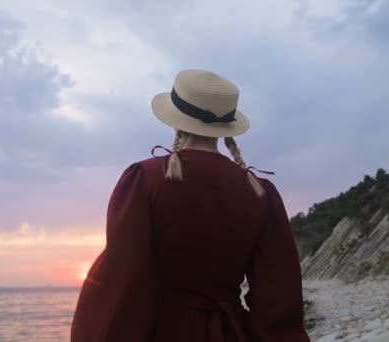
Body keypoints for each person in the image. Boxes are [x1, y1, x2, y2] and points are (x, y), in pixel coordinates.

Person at [71, 69, 311, 341]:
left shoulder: (146, 180)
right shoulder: (259, 192)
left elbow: (122, 280)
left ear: (176, 122)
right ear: (226, 128)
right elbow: (278, 295)